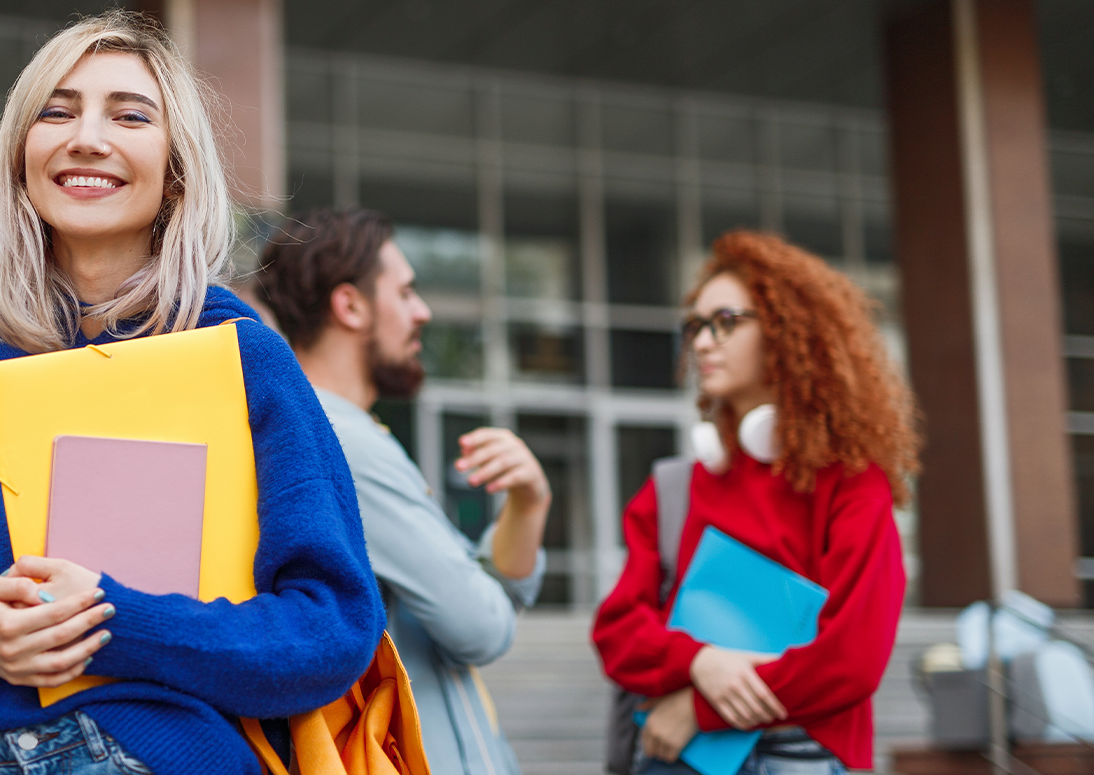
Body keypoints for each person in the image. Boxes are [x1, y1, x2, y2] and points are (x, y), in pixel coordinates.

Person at [0, 13, 384, 775]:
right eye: (56, 111)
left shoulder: (242, 359)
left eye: (130, 115)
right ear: (19, 157)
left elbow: (331, 628)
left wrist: (114, 620)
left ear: (175, 170)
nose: (87, 138)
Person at [592, 229, 920, 775]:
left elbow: (852, 659)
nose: (700, 343)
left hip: (795, 758)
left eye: (725, 322)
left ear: (789, 332)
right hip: (680, 761)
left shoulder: (852, 484)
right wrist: (701, 660)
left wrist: (701, 708)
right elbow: (617, 631)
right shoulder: (675, 489)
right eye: (695, 326)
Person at [255, 207, 550, 775]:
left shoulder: (318, 430)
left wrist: (529, 501)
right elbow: (480, 627)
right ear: (351, 306)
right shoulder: (345, 442)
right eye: (407, 292)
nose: (424, 312)